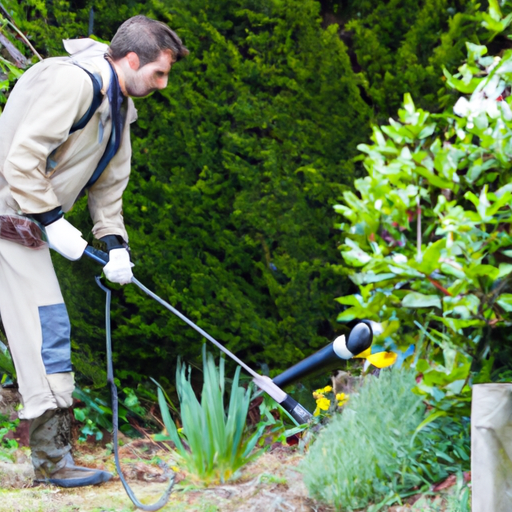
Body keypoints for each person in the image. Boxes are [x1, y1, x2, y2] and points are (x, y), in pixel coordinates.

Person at [0, 15, 188, 488]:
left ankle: (52, 460)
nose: (162, 85)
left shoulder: (120, 106)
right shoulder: (75, 84)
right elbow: (21, 159)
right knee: (49, 330)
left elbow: (108, 190)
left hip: (24, 227)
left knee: (46, 332)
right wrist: (52, 221)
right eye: (158, 73)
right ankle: (53, 464)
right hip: (10, 223)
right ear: (130, 59)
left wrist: (115, 244)